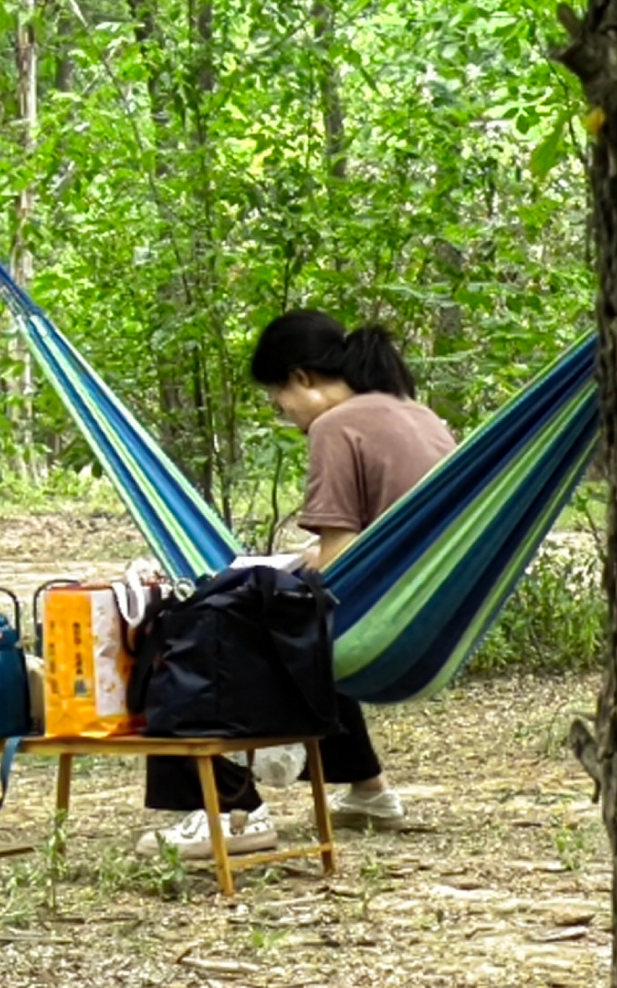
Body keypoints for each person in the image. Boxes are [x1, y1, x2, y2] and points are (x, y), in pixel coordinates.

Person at [139, 308, 450, 861]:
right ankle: (369, 792)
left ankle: (232, 811)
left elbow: (337, 566)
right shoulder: (416, 413)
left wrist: (278, 572)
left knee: (195, 625)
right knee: (300, 628)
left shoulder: (335, 425)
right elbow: (377, 537)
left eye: (276, 398)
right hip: (432, 606)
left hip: (380, 612)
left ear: (301, 378)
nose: (283, 414)